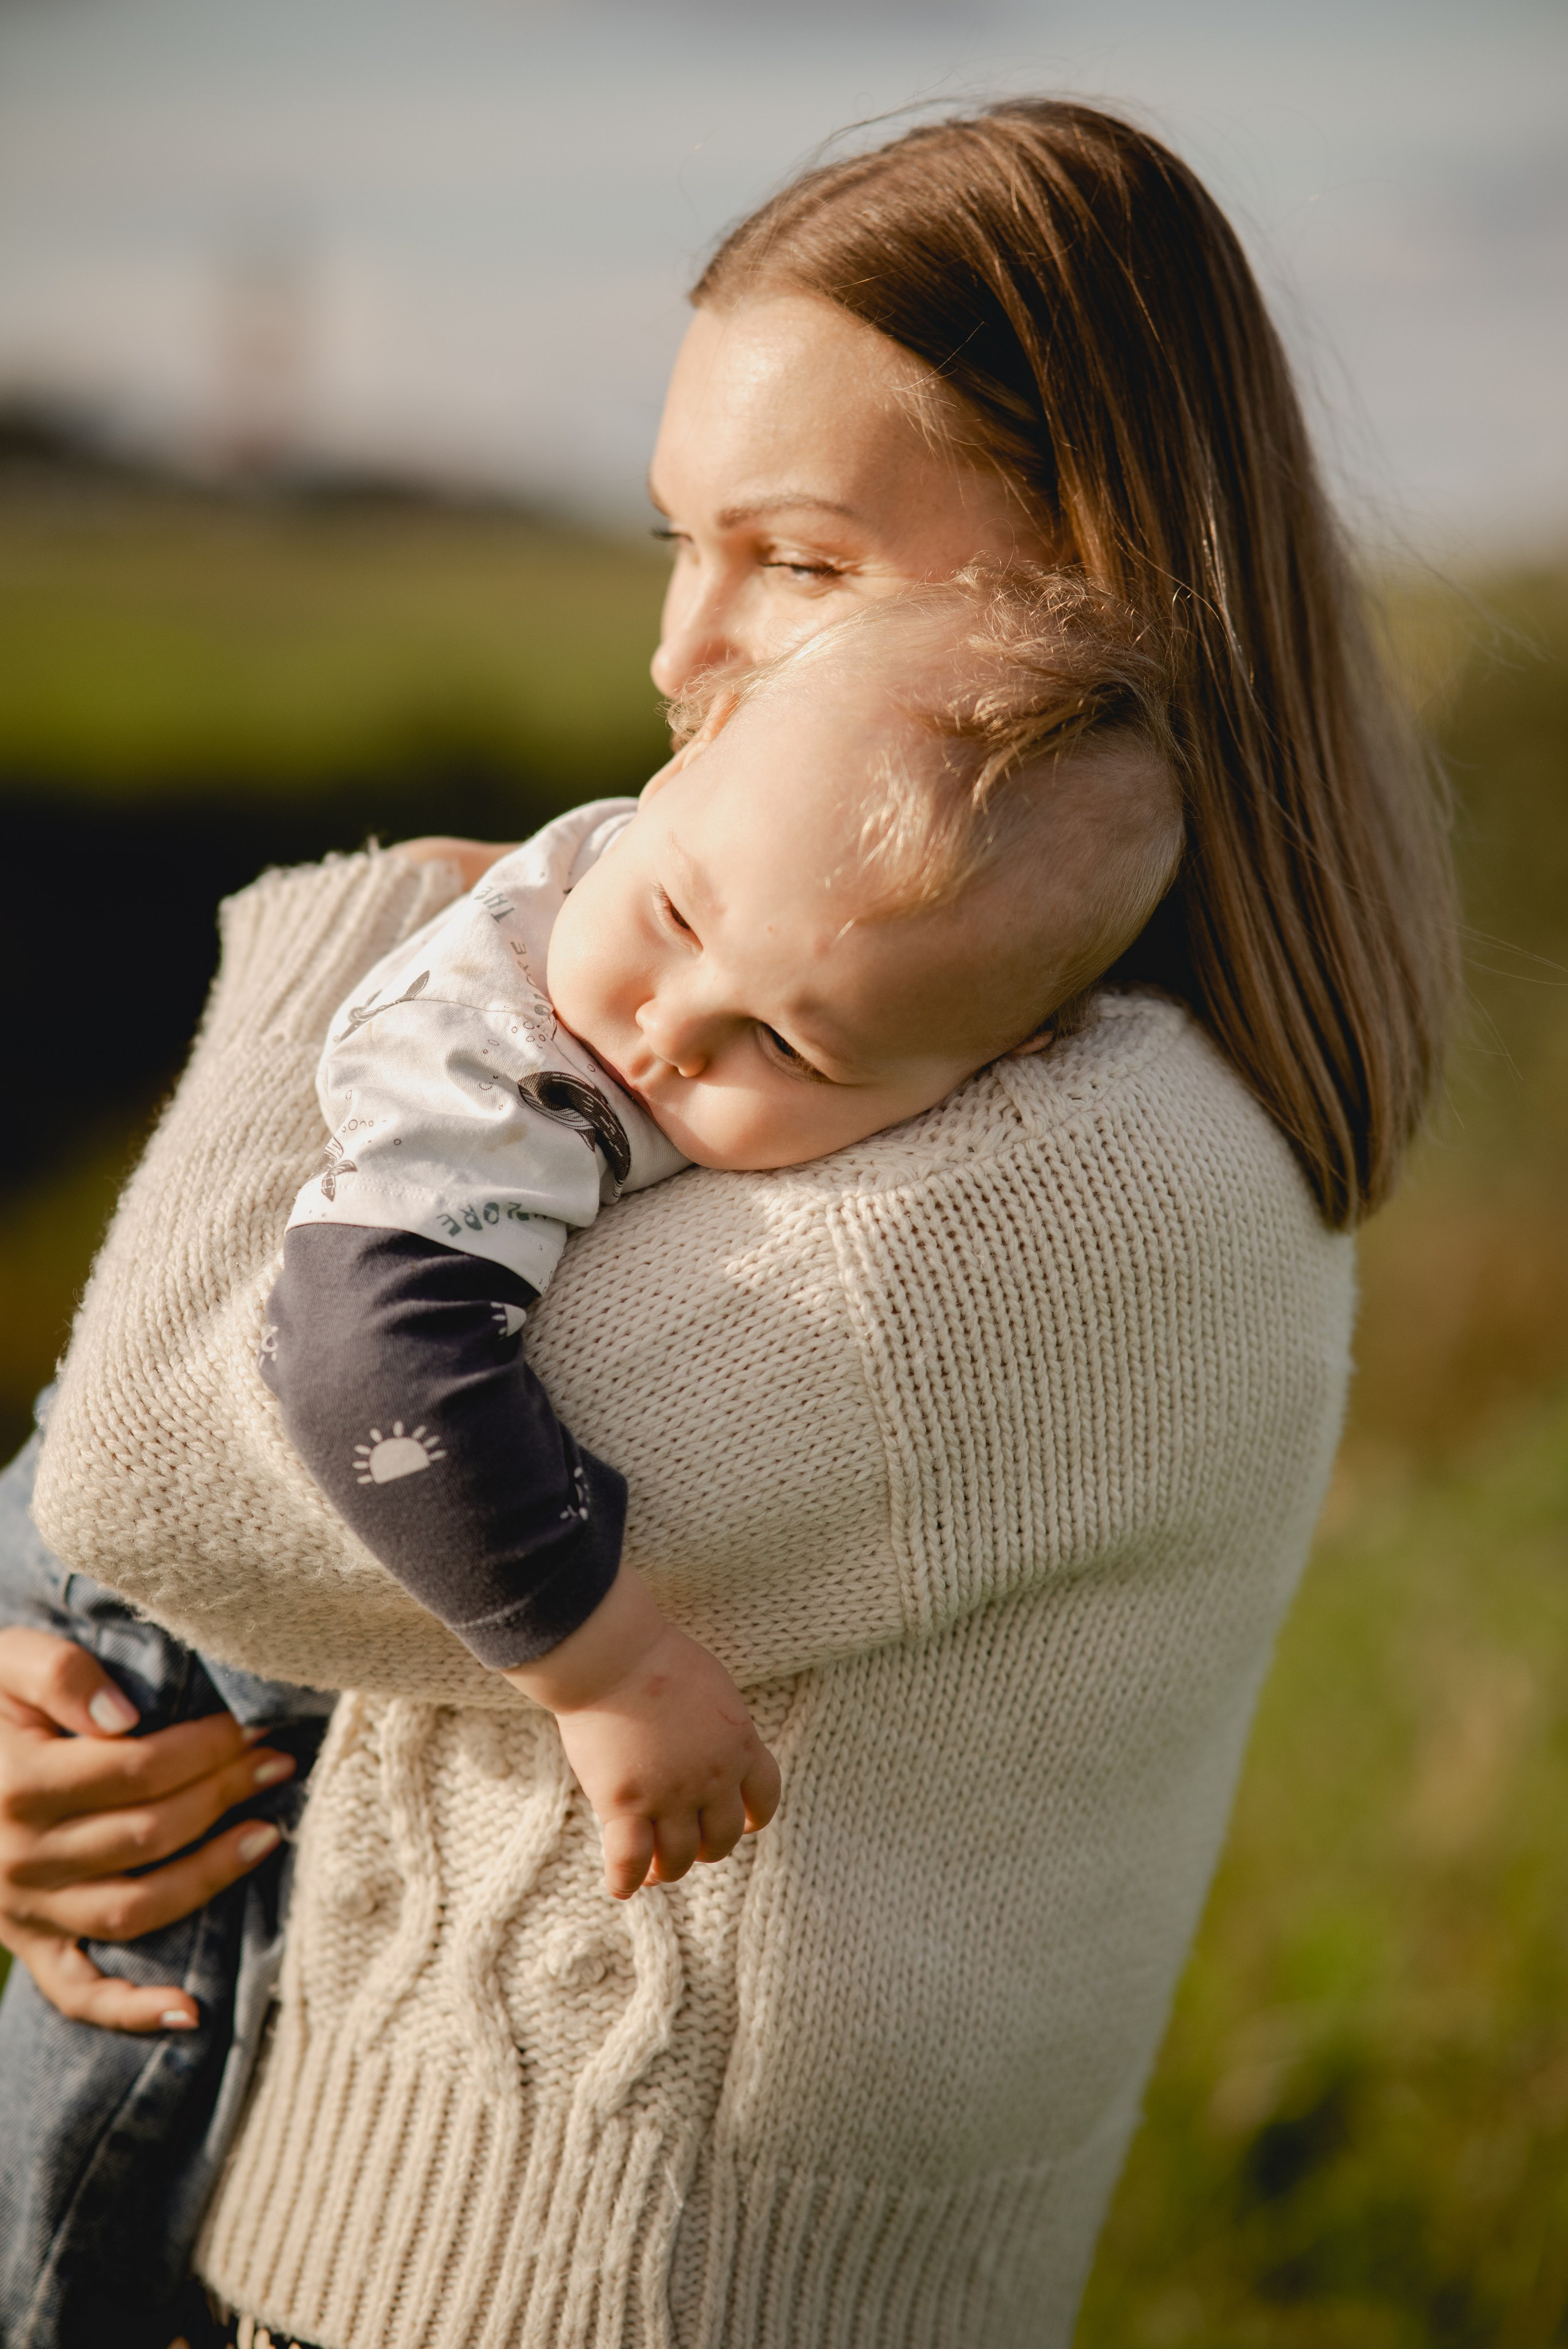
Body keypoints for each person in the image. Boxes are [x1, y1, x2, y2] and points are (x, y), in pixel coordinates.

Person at [2, 98, 1454, 2349]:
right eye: (680, 538)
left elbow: (171, 1477)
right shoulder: (867, 1039)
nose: (686, 653)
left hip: (562, 2293)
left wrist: (344, 942)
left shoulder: (1069, 1195)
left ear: (1092, 572)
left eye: (795, 558)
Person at [259, 576, 1180, 1901]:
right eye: (679, 922)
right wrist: (607, 1666)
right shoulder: (494, 1075)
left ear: (996, 1068)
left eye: (791, 1047)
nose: (670, 1030)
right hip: (143, 1668)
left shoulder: (705, 863)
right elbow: (364, 1361)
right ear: (692, 749)